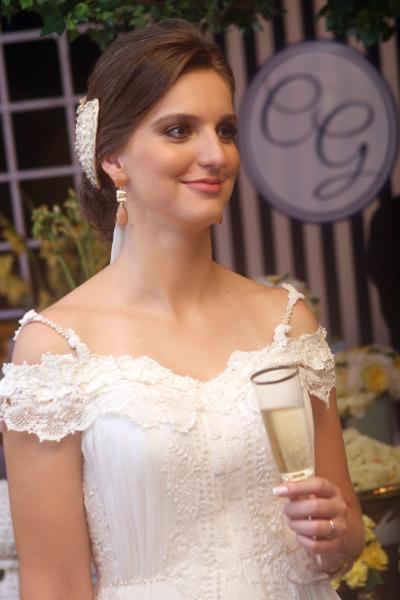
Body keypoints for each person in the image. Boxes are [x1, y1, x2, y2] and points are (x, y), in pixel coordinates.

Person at [0, 18, 364, 600]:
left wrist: (337, 532)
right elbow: (54, 585)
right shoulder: (54, 352)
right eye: (178, 130)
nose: (215, 154)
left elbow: (342, 541)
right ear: (113, 158)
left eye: (225, 130)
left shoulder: (287, 323)